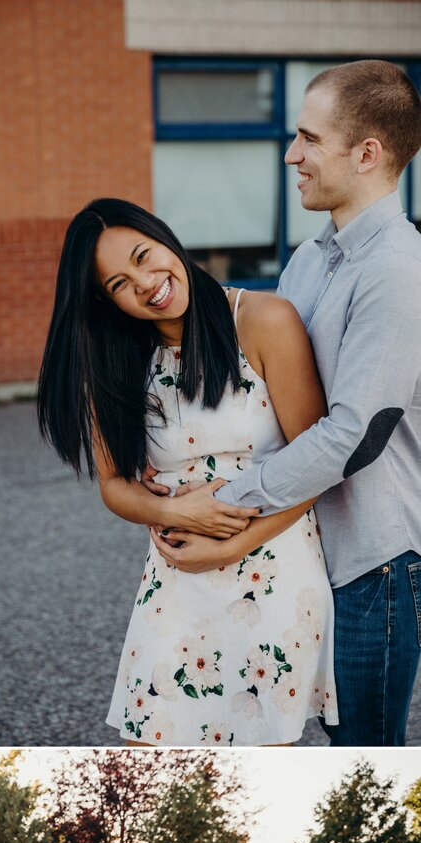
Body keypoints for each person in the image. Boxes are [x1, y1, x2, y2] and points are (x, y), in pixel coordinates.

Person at [171, 62, 421, 746]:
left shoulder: (399, 270)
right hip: (295, 546)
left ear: (367, 153)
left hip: (376, 566)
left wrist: (227, 503)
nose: (291, 155)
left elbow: (356, 435)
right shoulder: (310, 262)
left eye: (309, 138)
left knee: (362, 753)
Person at [37, 199, 337, 744]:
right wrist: (172, 509)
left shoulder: (263, 321)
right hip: (176, 581)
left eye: (144, 256)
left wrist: (230, 547)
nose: (147, 283)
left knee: (259, 756)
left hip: (273, 571)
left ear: (164, 237)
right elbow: (113, 484)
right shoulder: (115, 361)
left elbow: (318, 460)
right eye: (119, 285)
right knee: (146, 747)